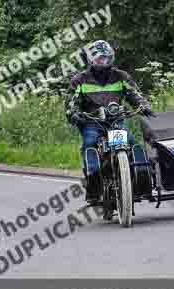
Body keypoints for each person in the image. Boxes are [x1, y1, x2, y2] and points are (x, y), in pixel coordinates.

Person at [66, 40, 154, 203]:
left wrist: (143, 105)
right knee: (89, 143)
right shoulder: (80, 80)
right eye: (100, 59)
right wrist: (73, 113)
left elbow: (134, 94)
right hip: (92, 122)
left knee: (133, 143)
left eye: (107, 58)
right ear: (91, 59)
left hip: (116, 121)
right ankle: (93, 189)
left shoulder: (120, 76)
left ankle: (142, 184)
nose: (104, 62)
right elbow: (71, 101)